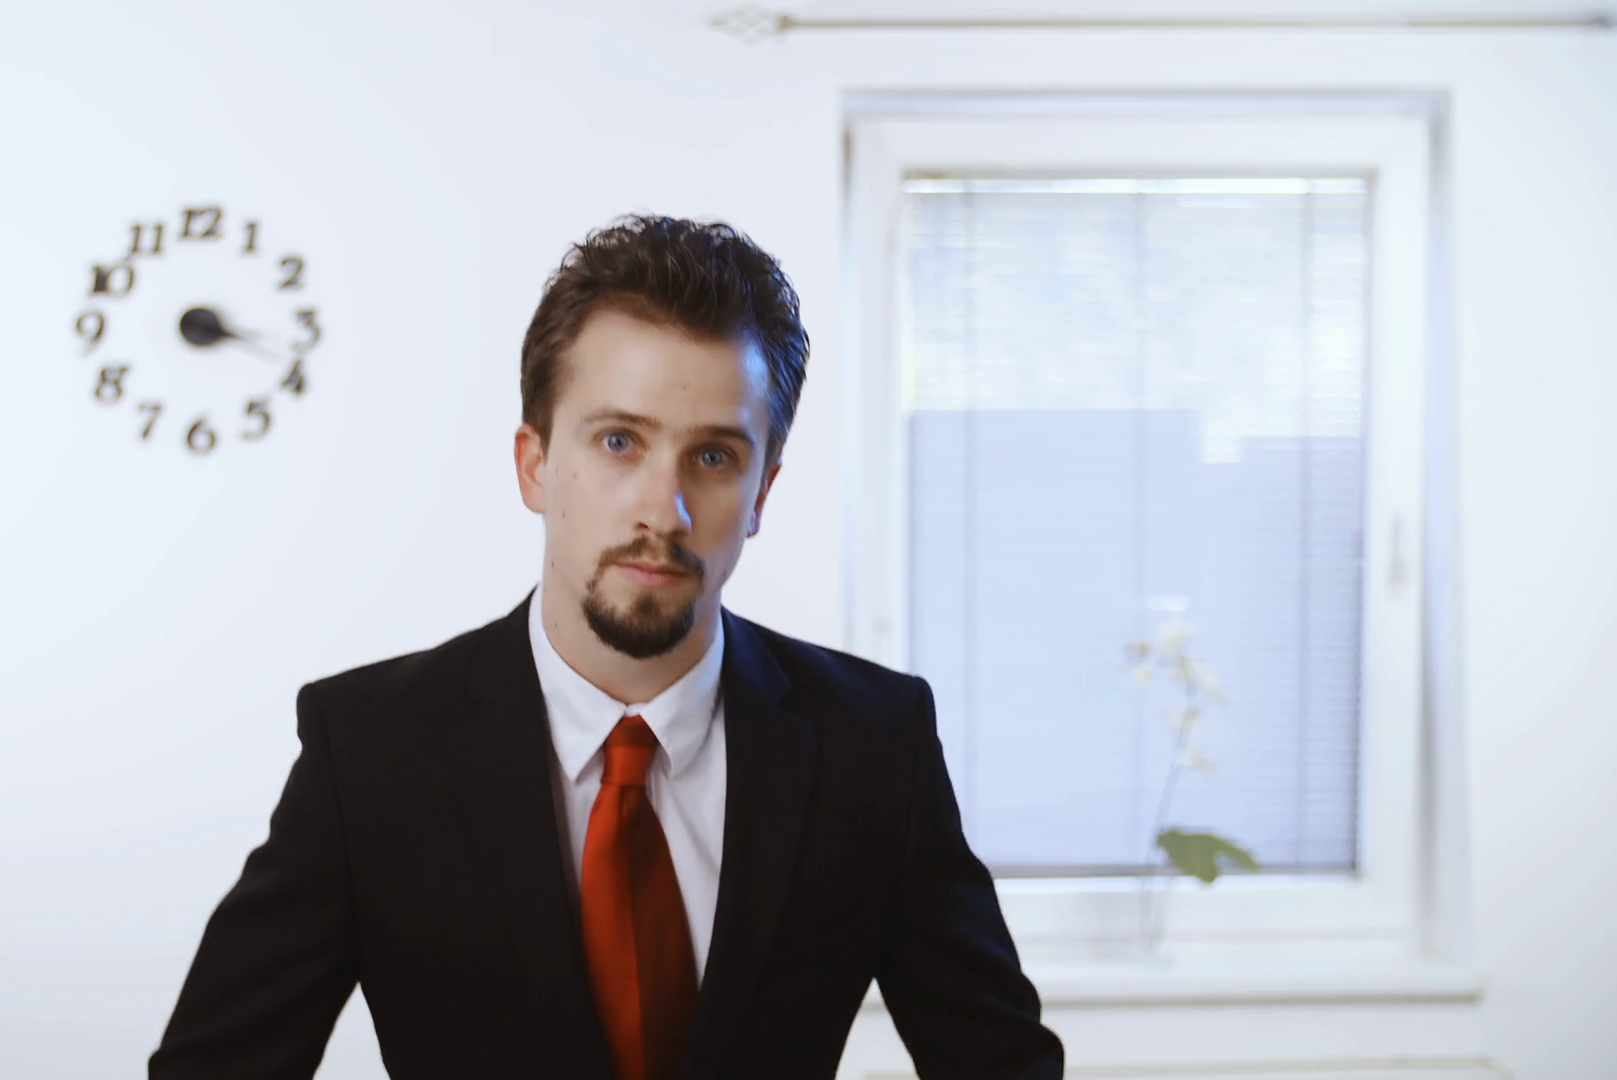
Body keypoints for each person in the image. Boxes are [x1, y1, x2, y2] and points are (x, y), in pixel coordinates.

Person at [148, 214, 1065, 1079]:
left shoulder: (876, 745)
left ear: (761, 493)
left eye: (714, 456)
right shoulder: (369, 750)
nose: (663, 511)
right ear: (534, 465)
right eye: (620, 441)